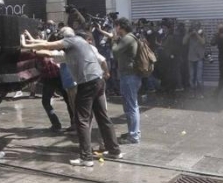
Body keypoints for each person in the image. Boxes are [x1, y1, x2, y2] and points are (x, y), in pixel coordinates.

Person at [21, 27, 121, 166]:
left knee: (81, 120)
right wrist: (31, 47)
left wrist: (26, 45)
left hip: (87, 83)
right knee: (103, 117)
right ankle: (114, 150)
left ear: (65, 37)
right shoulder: (75, 48)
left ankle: (86, 157)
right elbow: (48, 51)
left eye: (60, 37)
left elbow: (48, 45)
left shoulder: (73, 41)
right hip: (98, 81)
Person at [105, 18, 141, 144]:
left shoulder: (127, 38)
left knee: (131, 106)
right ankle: (133, 131)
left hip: (129, 76)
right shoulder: (128, 38)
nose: (115, 29)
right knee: (129, 105)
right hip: (129, 75)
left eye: (116, 27)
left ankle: (134, 135)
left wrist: (114, 40)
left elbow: (115, 51)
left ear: (120, 27)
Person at [183, 22, 207, 98]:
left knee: (199, 77)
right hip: (191, 57)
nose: (195, 28)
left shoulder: (202, 33)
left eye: (196, 27)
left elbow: (203, 42)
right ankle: (192, 93)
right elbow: (183, 42)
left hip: (199, 57)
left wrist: (196, 34)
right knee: (191, 77)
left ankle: (201, 93)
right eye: (194, 27)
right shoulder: (189, 34)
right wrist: (189, 34)